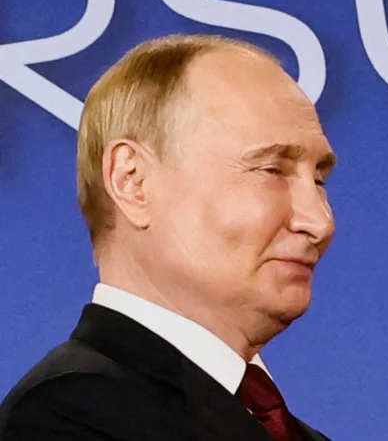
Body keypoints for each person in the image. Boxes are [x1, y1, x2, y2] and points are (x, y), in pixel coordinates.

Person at [0, 34, 337, 440]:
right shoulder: (64, 421)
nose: (319, 221)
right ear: (133, 182)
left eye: (318, 179)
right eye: (271, 171)